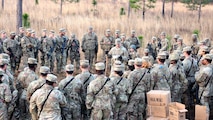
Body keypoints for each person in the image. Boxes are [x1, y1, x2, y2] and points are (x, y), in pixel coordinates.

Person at [182, 46, 198, 120]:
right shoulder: (194, 60)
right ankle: (192, 108)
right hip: (194, 79)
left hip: (187, 80)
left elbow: (183, 74)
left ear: (185, 52)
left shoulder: (185, 62)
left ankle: (188, 111)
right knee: (192, 95)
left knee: (186, 95)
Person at [195, 54, 213, 118]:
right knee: (210, 104)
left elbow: (199, 79)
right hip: (210, 90)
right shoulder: (211, 67)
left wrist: (197, 73)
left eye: (203, 60)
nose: (202, 61)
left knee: (205, 106)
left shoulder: (206, 70)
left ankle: (206, 117)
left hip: (205, 91)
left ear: (206, 60)